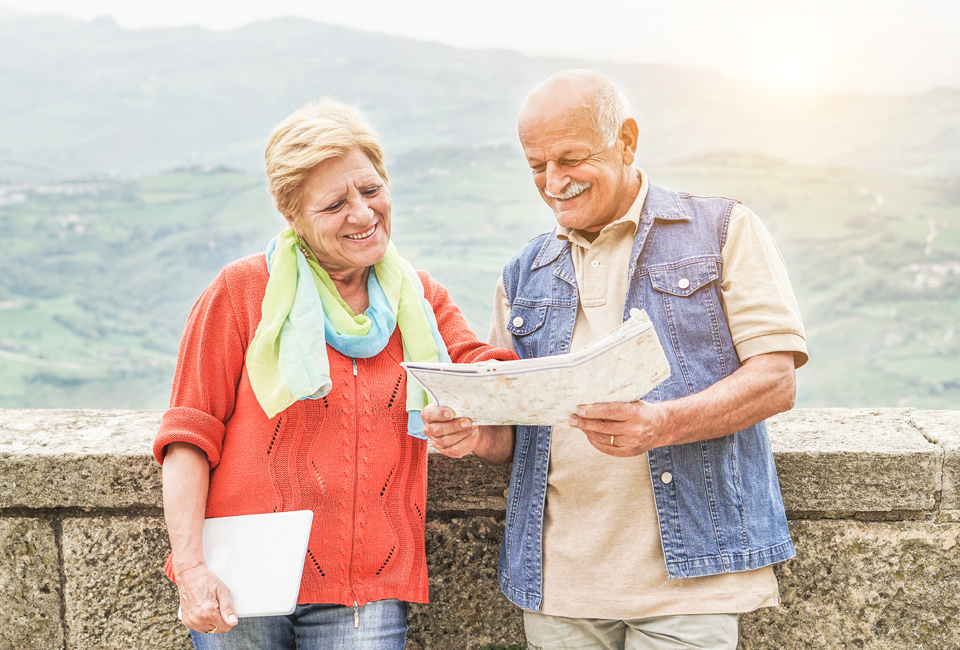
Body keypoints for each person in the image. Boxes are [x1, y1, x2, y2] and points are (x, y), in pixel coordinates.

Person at [423, 70, 808, 649]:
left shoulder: (724, 229)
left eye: (572, 158)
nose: (553, 182)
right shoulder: (521, 272)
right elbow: (515, 437)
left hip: (692, 584)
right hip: (559, 590)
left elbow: (776, 381)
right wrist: (471, 434)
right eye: (536, 166)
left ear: (627, 140)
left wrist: (662, 424)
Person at [153, 98, 515, 650]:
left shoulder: (421, 299)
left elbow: (488, 389)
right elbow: (188, 435)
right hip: (242, 577)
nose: (364, 215)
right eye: (335, 204)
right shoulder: (240, 292)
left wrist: (476, 416)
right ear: (293, 216)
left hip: (363, 590)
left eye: (371, 191)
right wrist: (192, 569)